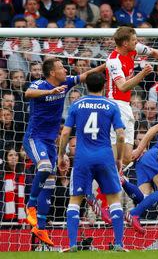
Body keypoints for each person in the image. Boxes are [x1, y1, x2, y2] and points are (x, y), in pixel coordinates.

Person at [23, 58, 103, 246]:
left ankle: (41, 228)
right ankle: (31, 205)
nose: (65, 70)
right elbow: (28, 93)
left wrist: (107, 64)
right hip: (35, 139)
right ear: (52, 72)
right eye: (60, 67)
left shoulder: (66, 83)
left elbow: (85, 76)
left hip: (51, 142)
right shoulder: (40, 84)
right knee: (44, 168)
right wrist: (50, 92)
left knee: (50, 185)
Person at [58, 72, 127, 252]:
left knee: (75, 201)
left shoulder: (76, 105)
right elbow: (120, 135)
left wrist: (60, 155)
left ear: (85, 86)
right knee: (114, 200)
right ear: (104, 85)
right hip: (105, 157)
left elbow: (65, 133)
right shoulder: (112, 105)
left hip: (82, 158)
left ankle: (72, 245)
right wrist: (119, 158)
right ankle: (118, 244)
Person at [105, 26, 158, 167]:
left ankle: (120, 181)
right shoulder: (114, 61)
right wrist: (142, 74)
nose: (136, 42)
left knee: (126, 158)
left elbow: (154, 52)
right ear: (125, 43)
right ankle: (108, 185)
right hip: (115, 105)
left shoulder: (133, 49)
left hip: (126, 106)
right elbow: (122, 86)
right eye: (134, 40)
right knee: (117, 156)